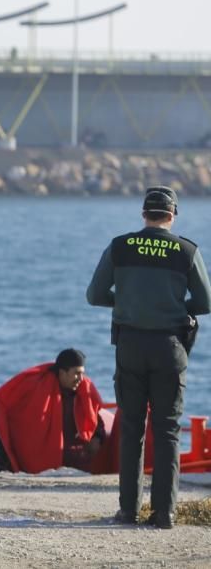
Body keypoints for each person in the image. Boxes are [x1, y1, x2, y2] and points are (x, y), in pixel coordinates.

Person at [87, 186, 211, 529]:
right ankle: (164, 513)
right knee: (168, 430)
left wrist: (128, 303)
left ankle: (128, 510)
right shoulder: (186, 250)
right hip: (170, 347)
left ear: (144, 214)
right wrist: (171, 308)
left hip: (130, 345)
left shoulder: (120, 246)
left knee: (131, 428)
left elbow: (94, 294)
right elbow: (206, 302)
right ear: (172, 216)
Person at [0, 348, 106, 473]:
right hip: (44, 459)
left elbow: (95, 418)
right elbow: (5, 400)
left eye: (82, 373)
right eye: (76, 373)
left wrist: (98, 437)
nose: (81, 379)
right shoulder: (36, 386)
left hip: (77, 459)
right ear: (62, 373)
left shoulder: (83, 392)